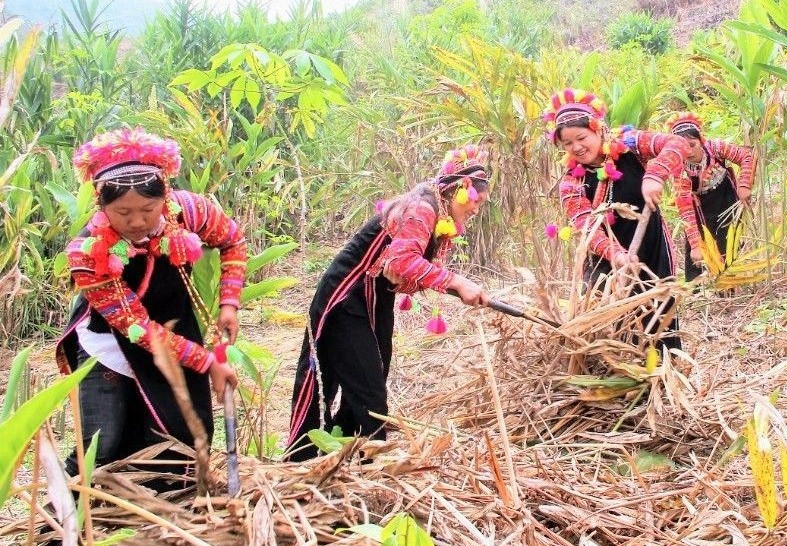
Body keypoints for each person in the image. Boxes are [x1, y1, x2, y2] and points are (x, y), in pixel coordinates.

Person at [56, 127, 244, 477]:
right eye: (122, 212)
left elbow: (233, 240)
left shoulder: (188, 210)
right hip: (110, 341)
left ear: (165, 196)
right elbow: (137, 327)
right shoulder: (87, 254)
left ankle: (171, 512)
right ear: (101, 204)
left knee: (180, 433)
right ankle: (67, 520)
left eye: (148, 208)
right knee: (102, 442)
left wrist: (229, 302)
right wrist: (208, 363)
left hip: (177, 327)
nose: (138, 221)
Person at [286, 144, 491, 461]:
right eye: (476, 202)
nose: (477, 210)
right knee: (362, 392)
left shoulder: (438, 217)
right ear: (459, 191)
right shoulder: (421, 209)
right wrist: (457, 282)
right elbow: (400, 264)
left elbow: (407, 277)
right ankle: (330, 462)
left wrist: (459, 287)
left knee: (370, 382)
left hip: (374, 299)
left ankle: (342, 457)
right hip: (346, 298)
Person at [544, 88, 691, 350]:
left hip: (651, 244)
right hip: (605, 258)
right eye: (568, 143)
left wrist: (655, 175)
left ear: (598, 130)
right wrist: (617, 255)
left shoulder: (630, 144)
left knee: (659, 312)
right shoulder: (571, 180)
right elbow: (585, 224)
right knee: (613, 321)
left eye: (581, 137)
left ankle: (664, 377)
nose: (576, 147)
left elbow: (676, 143)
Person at [665, 112, 755, 281]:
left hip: (725, 199)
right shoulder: (680, 171)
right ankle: (698, 295)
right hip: (699, 208)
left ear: (701, 140)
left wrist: (744, 185)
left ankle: (729, 288)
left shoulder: (716, 148)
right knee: (698, 253)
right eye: (683, 148)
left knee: (728, 244)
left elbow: (745, 157)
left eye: (692, 144)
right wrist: (695, 245)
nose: (689, 151)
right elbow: (685, 209)